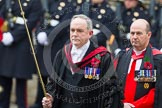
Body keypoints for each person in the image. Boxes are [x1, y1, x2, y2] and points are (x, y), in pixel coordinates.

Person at [42, 14, 123, 108]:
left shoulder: (103, 57)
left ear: (90, 33)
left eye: (80, 31)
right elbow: (53, 83)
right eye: (72, 30)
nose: (75, 34)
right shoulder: (62, 54)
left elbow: (111, 90)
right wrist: (50, 99)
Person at [0, 0, 41, 107]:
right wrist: (4, 34)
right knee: (4, 81)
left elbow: (32, 22)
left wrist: (13, 36)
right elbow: (2, 15)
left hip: (22, 43)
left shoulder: (34, 2)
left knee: (21, 84)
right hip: (6, 42)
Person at [116, 19, 162, 108]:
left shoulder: (157, 59)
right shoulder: (121, 56)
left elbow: (158, 91)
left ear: (149, 35)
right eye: (132, 33)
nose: (135, 37)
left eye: (139, 33)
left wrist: (134, 106)